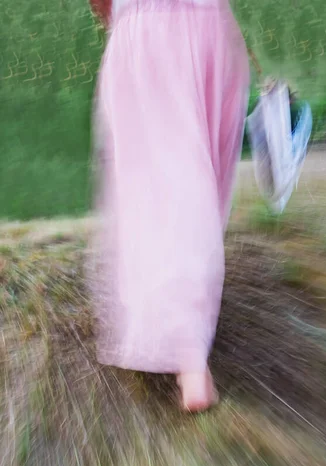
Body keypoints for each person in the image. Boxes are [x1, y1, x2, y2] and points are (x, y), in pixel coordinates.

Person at [91, 0, 249, 411]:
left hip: (143, 28)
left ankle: (180, 339)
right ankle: (187, 348)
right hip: (204, 24)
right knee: (196, 177)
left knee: (152, 184)